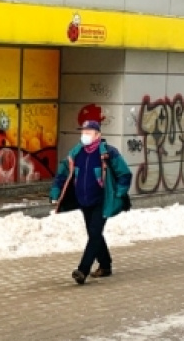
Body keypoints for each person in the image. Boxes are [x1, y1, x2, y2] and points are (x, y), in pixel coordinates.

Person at [50, 120, 133, 285]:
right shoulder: (76, 152)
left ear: (98, 135)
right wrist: (55, 191)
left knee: (94, 233)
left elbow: (125, 173)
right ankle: (105, 265)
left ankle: (82, 270)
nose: (85, 135)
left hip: (102, 200)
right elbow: (62, 172)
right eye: (83, 132)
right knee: (94, 234)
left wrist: (119, 193)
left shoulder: (108, 153)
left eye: (88, 132)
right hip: (83, 200)